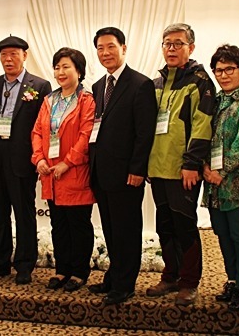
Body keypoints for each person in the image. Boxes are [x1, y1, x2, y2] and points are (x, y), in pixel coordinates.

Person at [146, 23, 216, 306]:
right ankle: (171, 275)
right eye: (167, 44)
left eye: (178, 43)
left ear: (191, 47)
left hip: (183, 169)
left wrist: (192, 163)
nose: (171, 49)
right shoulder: (157, 83)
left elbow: (203, 125)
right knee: (164, 226)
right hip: (157, 168)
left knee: (185, 225)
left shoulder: (200, 82)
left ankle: (189, 282)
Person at [87, 27, 158, 305]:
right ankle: (113, 277)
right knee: (110, 228)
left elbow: (144, 132)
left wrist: (138, 169)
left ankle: (125, 284)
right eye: (100, 48)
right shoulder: (98, 86)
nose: (105, 53)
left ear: (123, 48)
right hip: (101, 171)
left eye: (111, 47)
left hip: (127, 173)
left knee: (126, 230)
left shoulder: (140, 84)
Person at [0, 36, 51, 285]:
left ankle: (25, 264)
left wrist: (39, 157)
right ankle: (0, 262)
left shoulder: (39, 86)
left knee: (24, 212)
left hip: (22, 158)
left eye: (13, 54)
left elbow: (44, 127)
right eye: (4, 55)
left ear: (24, 56)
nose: (8, 59)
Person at [202, 44, 239, 311]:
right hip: (211, 181)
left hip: (236, 182)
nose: (223, 75)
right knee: (222, 233)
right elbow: (202, 134)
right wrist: (205, 168)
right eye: (219, 70)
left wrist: (221, 171)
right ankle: (232, 279)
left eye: (229, 69)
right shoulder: (214, 101)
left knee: (238, 233)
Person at [31, 47, 96, 293]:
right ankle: (62, 269)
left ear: (79, 70)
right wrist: (38, 159)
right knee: (58, 225)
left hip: (74, 172)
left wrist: (67, 163)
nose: (60, 72)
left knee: (78, 225)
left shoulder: (86, 100)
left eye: (66, 66)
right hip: (50, 174)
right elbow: (37, 132)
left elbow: (86, 135)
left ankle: (79, 272)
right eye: (57, 67)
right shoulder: (49, 100)